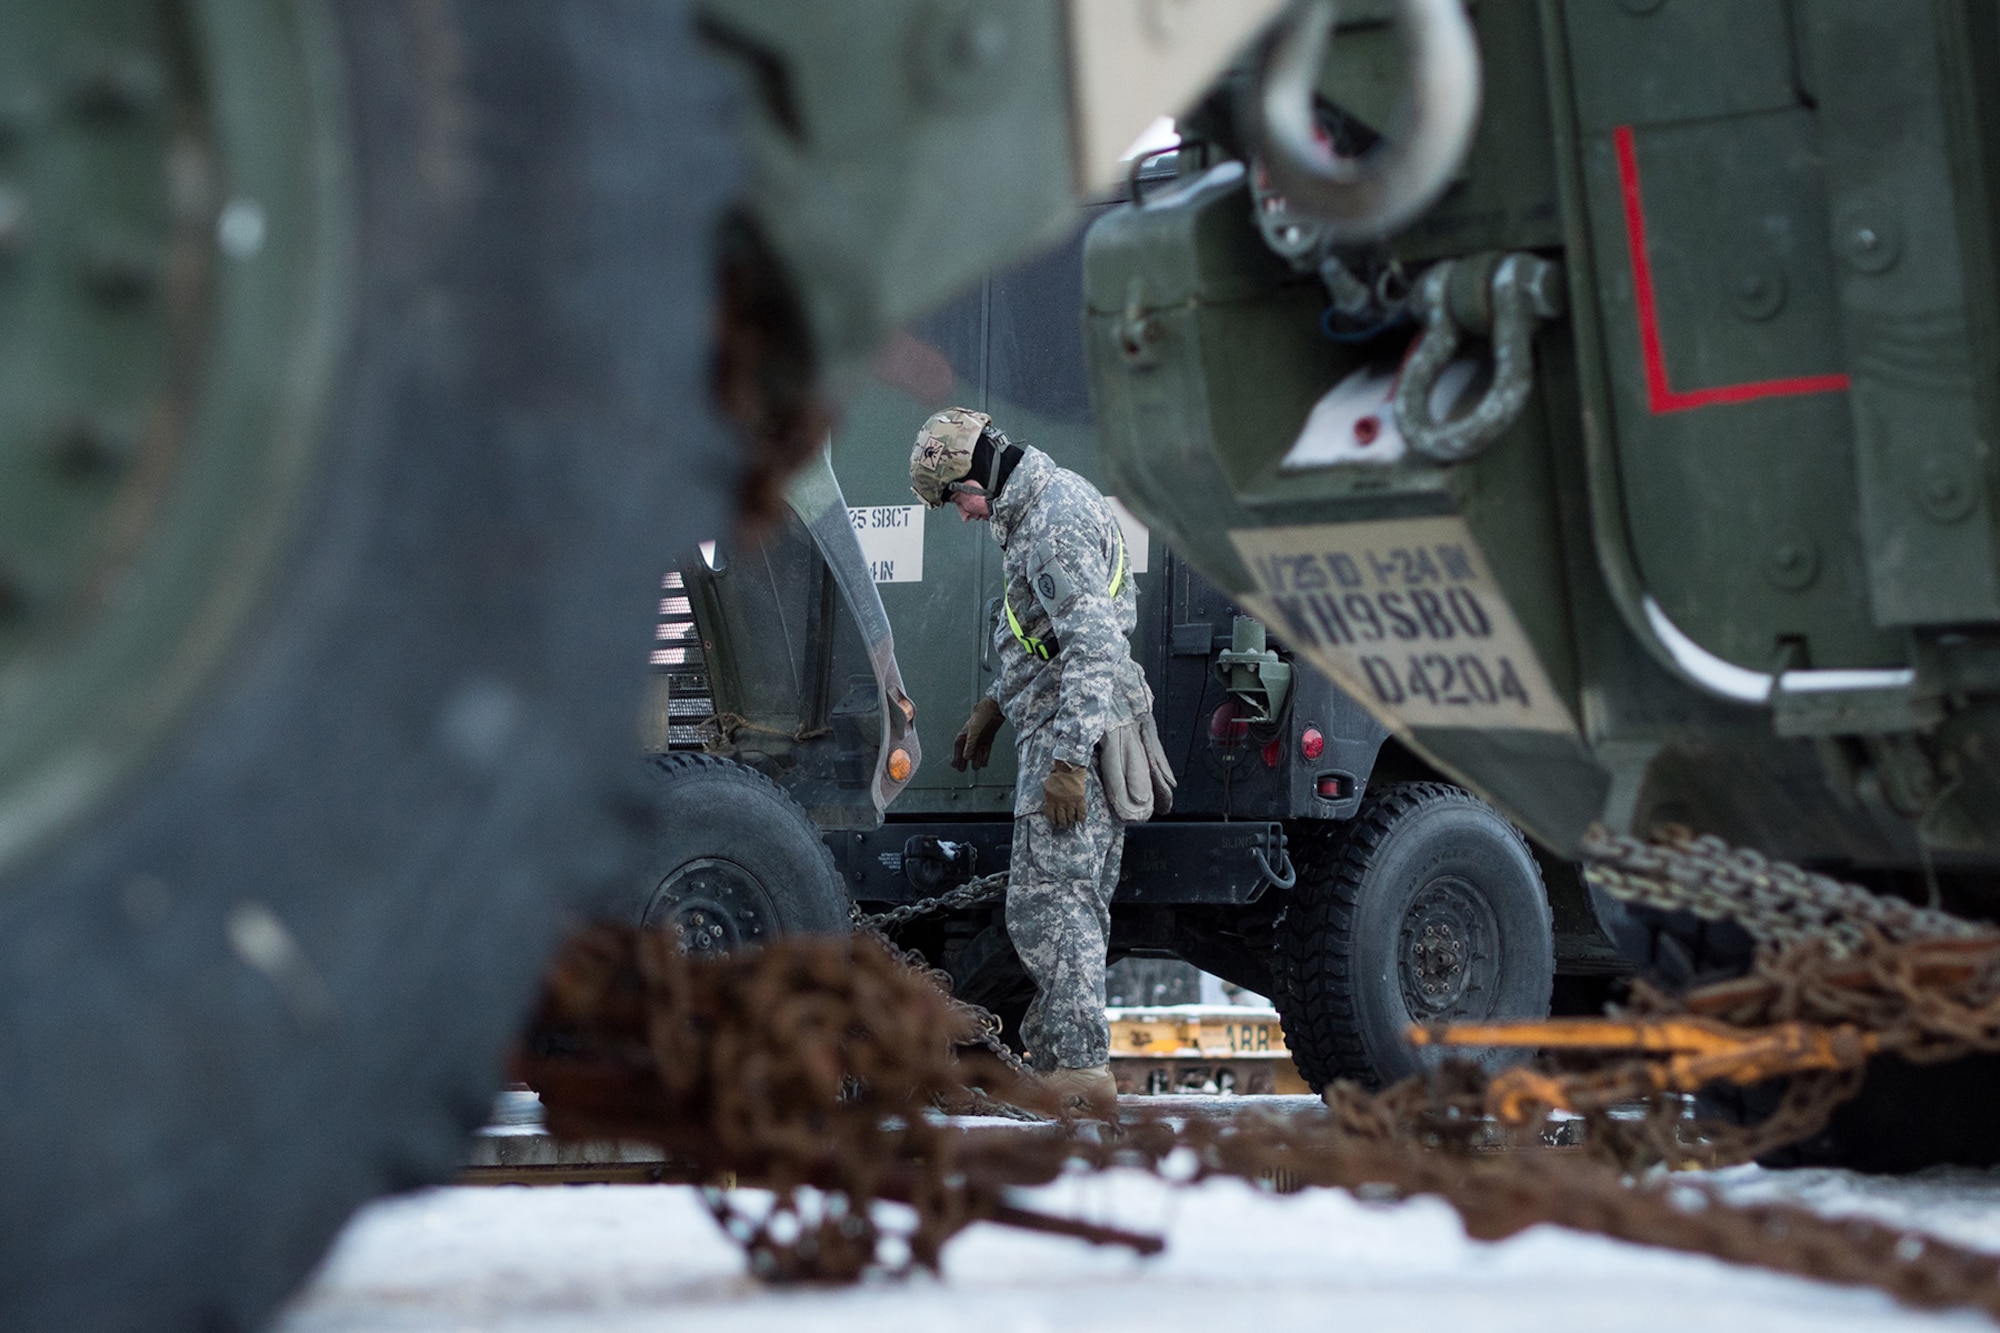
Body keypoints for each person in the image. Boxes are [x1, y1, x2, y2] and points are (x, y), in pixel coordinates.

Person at [909, 407, 1170, 1114]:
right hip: (1057, 718)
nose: (960, 515)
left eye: (956, 497)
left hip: (1073, 729)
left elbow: (1093, 647)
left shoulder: (1050, 524)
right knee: (1043, 908)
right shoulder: (1034, 509)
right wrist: (997, 702)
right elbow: (1045, 634)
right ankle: (1058, 1065)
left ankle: (1079, 1071)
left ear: (980, 474)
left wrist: (1068, 763)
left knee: (1061, 910)